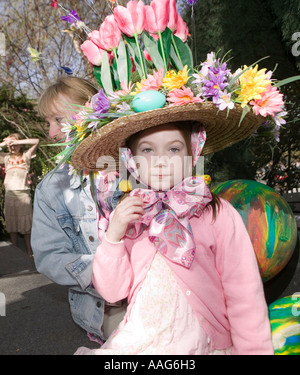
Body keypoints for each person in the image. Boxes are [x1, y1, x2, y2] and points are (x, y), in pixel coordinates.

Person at [73, 120, 274, 355]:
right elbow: (112, 292)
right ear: (131, 159)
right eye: (147, 150)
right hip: (142, 340)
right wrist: (114, 235)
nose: (160, 160)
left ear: (193, 153)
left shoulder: (217, 214)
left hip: (203, 343)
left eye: (174, 149)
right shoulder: (128, 214)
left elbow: (244, 293)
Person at [31, 76, 126, 345]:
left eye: (58, 120)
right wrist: (108, 273)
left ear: (92, 112)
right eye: (48, 122)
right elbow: (50, 257)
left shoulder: (138, 163)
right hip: (109, 305)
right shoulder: (51, 191)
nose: (50, 133)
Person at [0, 133, 39, 256]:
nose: (12, 146)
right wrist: (4, 143)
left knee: (26, 226)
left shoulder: (26, 156)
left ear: (20, 144)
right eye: (10, 144)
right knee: (12, 226)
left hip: (24, 195)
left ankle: (29, 253)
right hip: (10, 195)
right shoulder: (6, 158)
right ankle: (16, 254)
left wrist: (18, 141)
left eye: (15, 144)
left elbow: (36, 141)